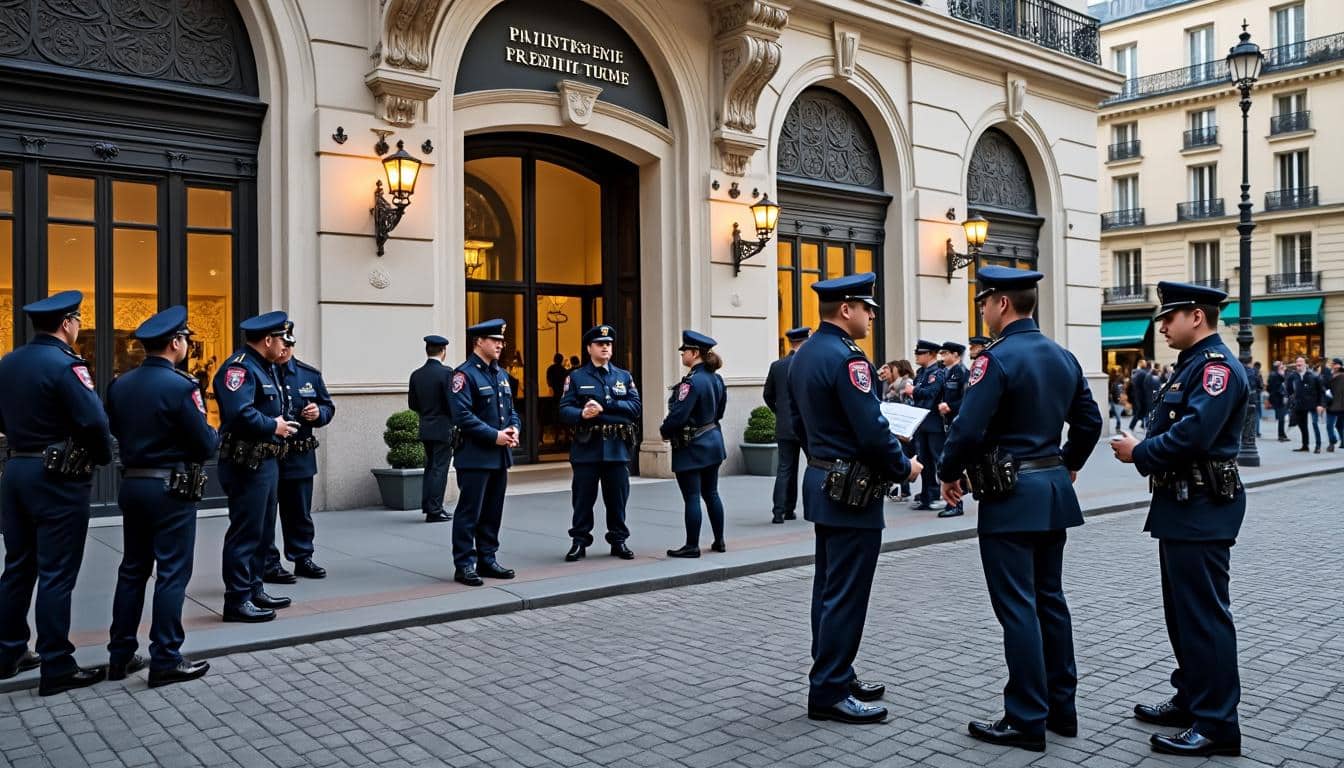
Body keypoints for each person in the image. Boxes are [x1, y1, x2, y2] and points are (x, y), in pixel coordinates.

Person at [939, 266, 1101, 751]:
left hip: (1010, 498)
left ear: (1002, 304)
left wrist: (948, 472)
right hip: (1051, 491)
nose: (983, 311)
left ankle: (1026, 717)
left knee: (1018, 608)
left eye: (984, 302)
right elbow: (1089, 422)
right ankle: (1061, 710)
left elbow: (968, 429)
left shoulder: (995, 360)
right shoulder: (1064, 356)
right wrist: (1066, 463)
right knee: (1050, 599)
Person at [1110, 282, 1248, 758]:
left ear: (1196, 316)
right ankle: (1192, 697)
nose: (1162, 327)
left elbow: (1194, 433)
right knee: (1183, 615)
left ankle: (1216, 724)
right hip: (1183, 503)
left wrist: (1139, 452)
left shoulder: (1215, 369)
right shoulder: (1191, 366)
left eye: (1169, 318)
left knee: (1204, 617)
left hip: (1203, 504)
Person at [787, 272, 921, 725]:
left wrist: (824, 457)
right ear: (846, 309)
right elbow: (871, 429)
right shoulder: (850, 360)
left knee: (828, 587)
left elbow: (797, 424)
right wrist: (905, 467)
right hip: (852, 491)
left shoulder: (804, 354)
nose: (871, 316)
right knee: (845, 593)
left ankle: (834, 672)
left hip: (826, 481)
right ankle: (828, 692)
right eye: (867, 308)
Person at [0, 290, 114, 696]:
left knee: (18, 566)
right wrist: (100, 459)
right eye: (78, 321)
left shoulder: (8, 363)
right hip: (57, 478)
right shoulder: (67, 365)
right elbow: (95, 421)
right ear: (67, 323)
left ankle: (8, 651)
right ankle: (56, 664)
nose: (79, 327)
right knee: (56, 573)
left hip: (16, 471)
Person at [105, 306, 217, 689]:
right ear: (175, 343)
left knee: (133, 570)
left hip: (133, 483)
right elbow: (204, 443)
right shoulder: (182, 386)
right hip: (170, 487)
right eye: (185, 339)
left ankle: (119, 655)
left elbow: (115, 430)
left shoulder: (120, 384)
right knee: (171, 572)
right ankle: (165, 658)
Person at [213, 310, 295, 623]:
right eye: (282, 339)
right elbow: (239, 413)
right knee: (245, 532)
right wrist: (272, 426)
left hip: (265, 461)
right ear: (268, 340)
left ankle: (254, 587)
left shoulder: (266, 367)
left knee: (261, 531)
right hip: (246, 463)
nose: (285, 345)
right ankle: (236, 599)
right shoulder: (240, 369)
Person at [559, 324, 641, 561]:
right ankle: (579, 541)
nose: (605, 347)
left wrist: (605, 407)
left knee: (617, 498)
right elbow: (564, 409)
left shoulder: (623, 377)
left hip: (616, 447)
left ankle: (619, 541)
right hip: (587, 447)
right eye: (600, 344)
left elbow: (635, 408)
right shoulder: (576, 377)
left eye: (608, 344)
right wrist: (582, 414)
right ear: (589, 348)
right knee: (583, 499)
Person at [448, 319, 521, 586]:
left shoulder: (500, 374)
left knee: (493, 510)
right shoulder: (463, 375)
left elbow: (511, 409)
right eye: (495, 340)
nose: (501, 345)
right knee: (470, 512)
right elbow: (462, 415)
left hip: (499, 456)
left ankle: (487, 558)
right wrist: (495, 436)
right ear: (479, 342)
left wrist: (514, 428)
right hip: (475, 455)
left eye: (502, 341)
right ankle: (465, 563)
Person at [262, 323, 335, 582]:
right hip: (269, 454)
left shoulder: (308, 374)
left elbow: (328, 407)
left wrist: (318, 414)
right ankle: (269, 563)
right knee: (266, 513)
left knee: (299, 512)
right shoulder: (262, 372)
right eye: (283, 345)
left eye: (289, 346)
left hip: (299, 455)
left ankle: (302, 557)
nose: (284, 351)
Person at [660, 330, 728, 557]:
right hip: (713, 442)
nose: (682, 356)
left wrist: (664, 431)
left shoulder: (691, 382)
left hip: (692, 447)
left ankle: (692, 546)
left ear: (694, 353)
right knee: (712, 493)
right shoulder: (716, 378)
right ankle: (719, 541)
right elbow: (720, 412)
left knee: (692, 496)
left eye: (684, 352)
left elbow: (678, 415)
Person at [764, 326, 810, 524]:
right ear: (806, 342)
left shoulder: (777, 365)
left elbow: (767, 395)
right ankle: (809, 508)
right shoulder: (810, 363)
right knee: (814, 465)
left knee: (785, 468)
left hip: (784, 425)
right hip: (808, 425)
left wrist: (780, 413)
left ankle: (780, 511)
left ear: (791, 343)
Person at [409, 334, 455, 523]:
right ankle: (435, 510)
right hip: (443, 427)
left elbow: (413, 404)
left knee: (430, 467)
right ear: (443, 351)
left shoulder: (416, 374)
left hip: (426, 426)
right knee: (439, 469)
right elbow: (452, 402)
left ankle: (429, 506)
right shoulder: (447, 373)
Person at [907, 339, 947, 511]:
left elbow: (931, 393)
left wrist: (913, 390)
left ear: (930, 354)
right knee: (924, 461)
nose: (916, 356)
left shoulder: (937, 373)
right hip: (921, 423)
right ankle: (927, 495)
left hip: (933, 423)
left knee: (937, 459)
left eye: (920, 353)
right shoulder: (921, 373)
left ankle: (942, 494)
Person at [935, 341, 969, 518]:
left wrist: (950, 406)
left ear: (956, 355)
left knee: (952, 462)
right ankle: (951, 502)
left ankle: (956, 504)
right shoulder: (946, 373)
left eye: (946, 353)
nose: (942, 357)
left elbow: (966, 401)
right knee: (943, 461)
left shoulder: (962, 373)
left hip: (955, 422)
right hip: (945, 422)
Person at [888, 359, 916, 501]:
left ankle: (905, 491)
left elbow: (909, 405)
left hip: (905, 426)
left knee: (905, 455)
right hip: (899, 426)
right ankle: (903, 490)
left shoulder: (906, 383)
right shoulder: (896, 384)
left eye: (893, 369)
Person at [1288, 356, 1323, 453]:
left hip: (1313, 404)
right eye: (1297, 363)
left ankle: (1318, 445)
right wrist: (1292, 399)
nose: (1298, 365)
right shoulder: (1293, 376)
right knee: (1302, 425)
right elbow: (1289, 389)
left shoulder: (1313, 376)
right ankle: (1305, 445)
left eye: (1300, 363)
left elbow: (1321, 391)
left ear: (1305, 364)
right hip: (1300, 404)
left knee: (1315, 424)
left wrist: (1320, 404)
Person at [1267, 360, 1287, 441]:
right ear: (1278, 367)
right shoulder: (1276, 375)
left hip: (1276, 398)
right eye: (1281, 366)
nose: (1283, 367)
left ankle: (1283, 434)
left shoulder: (1272, 374)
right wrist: (1282, 373)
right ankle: (1281, 435)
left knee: (1281, 417)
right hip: (1278, 398)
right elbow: (1282, 381)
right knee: (1281, 417)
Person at [1129, 360, 1153, 430]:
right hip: (1142, 396)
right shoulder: (1144, 373)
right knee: (1143, 411)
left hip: (1137, 395)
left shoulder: (1136, 373)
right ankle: (1136, 426)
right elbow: (1146, 385)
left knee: (1141, 411)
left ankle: (1140, 425)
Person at [1326, 359, 1344, 452]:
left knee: (1339, 425)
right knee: (1330, 425)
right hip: (1331, 404)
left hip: (1340, 405)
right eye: (1332, 364)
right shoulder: (1329, 375)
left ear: (1340, 366)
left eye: (1334, 364)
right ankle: (1332, 442)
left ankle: (1342, 442)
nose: (1332, 366)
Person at [1250, 361, 1264, 437]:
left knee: (1250, 415)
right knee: (1257, 415)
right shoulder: (1258, 374)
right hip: (1256, 397)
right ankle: (1257, 431)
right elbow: (1261, 386)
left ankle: (1250, 431)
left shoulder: (1250, 372)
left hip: (1249, 396)